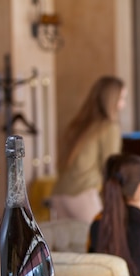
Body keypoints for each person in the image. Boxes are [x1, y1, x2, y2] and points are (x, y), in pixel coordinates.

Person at [51, 75, 127, 224]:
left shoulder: (78, 125)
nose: (123, 105)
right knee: (100, 245)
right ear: (111, 100)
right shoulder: (108, 127)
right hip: (83, 195)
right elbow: (111, 167)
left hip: (59, 195)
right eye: (121, 98)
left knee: (67, 247)